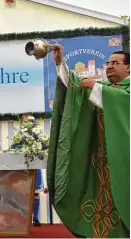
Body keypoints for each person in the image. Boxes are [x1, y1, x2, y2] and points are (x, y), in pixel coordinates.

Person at [47, 46, 130, 238]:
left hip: (125, 162)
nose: (109, 66)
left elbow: (124, 101)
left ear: (128, 68)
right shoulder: (105, 87)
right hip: (100, 161)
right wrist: (60, 63)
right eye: (108, 63)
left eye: (115, 63)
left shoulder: (114, 90)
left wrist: (96, 87)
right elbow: (76, 88)